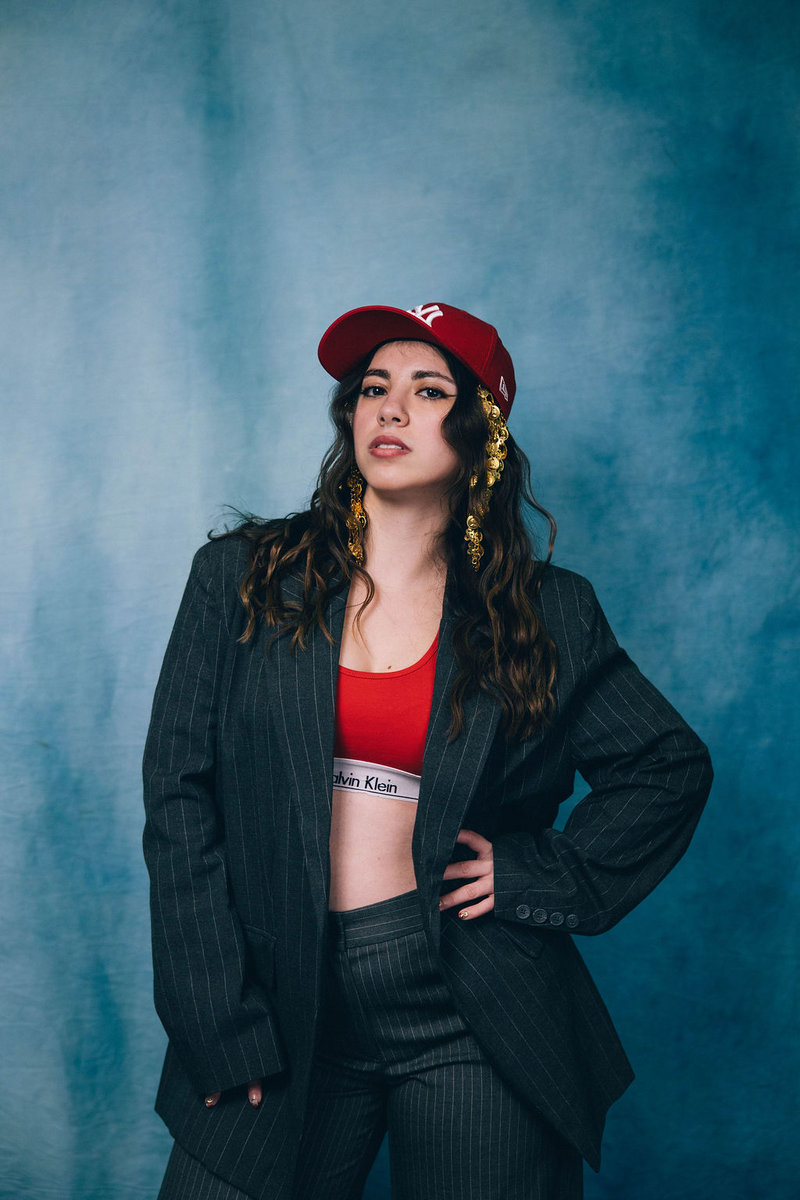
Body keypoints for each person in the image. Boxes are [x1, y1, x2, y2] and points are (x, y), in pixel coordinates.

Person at [143, 301, 712, 1200]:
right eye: (374, 387)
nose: (392, 407)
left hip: (471, 1005)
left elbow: (666, 767)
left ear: (483, 432)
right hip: (280, 997)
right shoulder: (244, 577)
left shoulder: (546, 612)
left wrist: (540, 874)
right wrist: (213, 1011)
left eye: (429, 389)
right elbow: (178, 795)